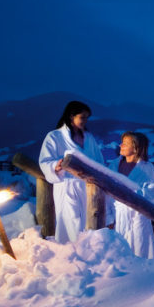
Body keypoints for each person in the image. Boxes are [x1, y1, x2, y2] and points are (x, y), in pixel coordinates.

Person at [39, 101, 105, 243]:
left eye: (87, 118)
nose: (85, 121)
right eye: (82, 117)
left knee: (89, 223)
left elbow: (99, 161)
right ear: (71, 116)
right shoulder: (54, 136)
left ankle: (89, 254)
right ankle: (69, 255)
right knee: (70, 224)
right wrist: (55, 166)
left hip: (88, 188)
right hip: (67, 185)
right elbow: (44, 161)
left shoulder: (89, 138)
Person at [109, 131, 154, 259]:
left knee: (140, 250)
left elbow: (152, 190)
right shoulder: (114, 165)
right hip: (118, 214)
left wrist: (133, 194)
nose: (121, 145)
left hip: (138, 215)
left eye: (125, 144)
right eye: (122, 143)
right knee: (120, 252)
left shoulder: (147, 167)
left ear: (136, 148)